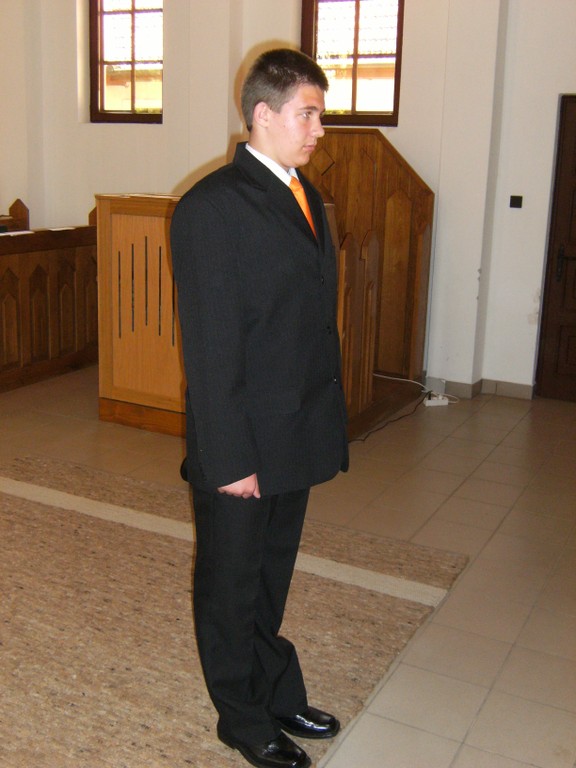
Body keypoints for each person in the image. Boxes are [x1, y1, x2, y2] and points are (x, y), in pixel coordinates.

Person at [170, 48, 349, 768]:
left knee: (270, 577)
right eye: (308, 114)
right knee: (230, 586)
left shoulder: (304, 194)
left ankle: (274, 689)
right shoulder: (211, 208)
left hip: (294, 429)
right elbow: (211, 349)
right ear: (263, 114)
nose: (319, 130)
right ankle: (241, 719)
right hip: (241, 440)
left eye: (319, 115)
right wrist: (229, 459)